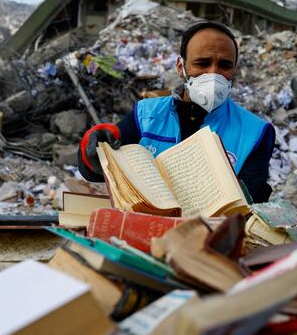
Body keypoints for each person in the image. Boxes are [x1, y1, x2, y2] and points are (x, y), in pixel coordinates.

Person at [77, 20, 276, 203]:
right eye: (202, 63)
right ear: (181, 67)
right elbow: (95, 171)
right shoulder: (145, 114)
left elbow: (251, 201)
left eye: (224, 65)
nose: (213, 73)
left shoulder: (256, 132)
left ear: (234, 70)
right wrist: (95, 145)